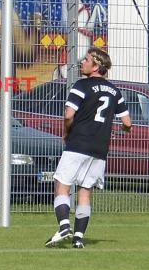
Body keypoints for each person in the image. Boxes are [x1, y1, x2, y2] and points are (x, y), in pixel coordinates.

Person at [45, 47, 132, 249]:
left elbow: (68, 115)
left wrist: (66, 133)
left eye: (86, 59)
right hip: (100, 149)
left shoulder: (81, 85)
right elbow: (127, 122)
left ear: (96, 66)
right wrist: (120, 130)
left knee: (61, 184)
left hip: (78, 143)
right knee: (85, 192)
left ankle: (64, 225)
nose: (82, 62)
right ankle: (78, 239)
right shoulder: (115, 91)